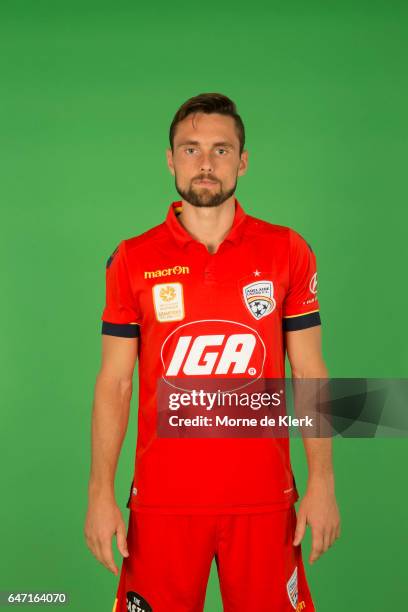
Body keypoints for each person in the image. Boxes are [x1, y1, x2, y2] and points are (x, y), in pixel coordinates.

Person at [84, 93, 340, 612]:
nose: (205, 163)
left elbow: (309, 370)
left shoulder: (287, 249)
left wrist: (323, 483)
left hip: (266, 503)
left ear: (242, 161)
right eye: (191, 149)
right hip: (162, 505)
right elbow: (115, 382)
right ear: (170, 158)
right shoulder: (132, 259)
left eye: (221, 150)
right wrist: (99, 493)